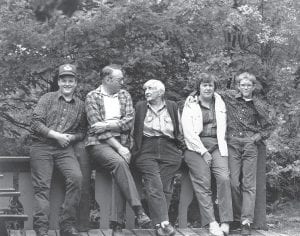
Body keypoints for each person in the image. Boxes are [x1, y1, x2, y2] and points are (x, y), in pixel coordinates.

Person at [85, 65, 151, 236]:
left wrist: (107, 124)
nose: (123, 82)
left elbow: (129, 122)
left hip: (123, 142)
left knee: (119, 172)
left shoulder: (124, 95)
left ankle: (117, 227)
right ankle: (138, 210)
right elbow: (95, 129)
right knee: (120, 163)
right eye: (119, 79)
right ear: (107, 79)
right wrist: (120, 147)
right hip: (100, 144)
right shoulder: (92, 97)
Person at [30, 64, 85, 236]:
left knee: (76, 178)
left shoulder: (81, 105)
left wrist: (70, 138)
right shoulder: (47, 98)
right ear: (59, 82)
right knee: (42, 187)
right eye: (64, 80)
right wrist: (56, 135)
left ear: (76, 83)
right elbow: (35, 123)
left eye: (71, 80)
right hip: (41, 146)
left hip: (64, 149)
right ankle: (41, 229)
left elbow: (82, 132)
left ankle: (67, 225)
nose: (67, 84)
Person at [220, 72, 273, 236]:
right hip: (233, 143)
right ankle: (236, 216)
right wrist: (194, 95)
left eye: (248, 85)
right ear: (238, 86)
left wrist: (257, 137)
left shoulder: (259, 104)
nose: (245, 88)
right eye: (242, 85)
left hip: (250, 145)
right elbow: (209, 89)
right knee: (234, 183)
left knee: (248, 185)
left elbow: (269, 126)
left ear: (253, 87)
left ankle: (246, 222)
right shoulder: (230, 98)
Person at [181, 73, 233, 236]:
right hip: (196, 147)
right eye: (204, 85)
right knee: (203, 183)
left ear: (214, 88)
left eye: (210, 85)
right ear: (199, 87)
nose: (208, 88)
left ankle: (225, 221)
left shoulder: (221, 102)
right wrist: (203, 152)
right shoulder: (190, 105)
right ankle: (212, 222)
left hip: (218, 145)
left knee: (224, 178)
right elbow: (188, 132)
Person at [131, 79, 184, 236]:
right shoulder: (140, 107)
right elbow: (133, 131)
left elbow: (179, 130)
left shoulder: (173, 106)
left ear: (161, 92)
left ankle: (159, 226)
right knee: (154, 184)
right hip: (146, 148)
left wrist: (182, 150)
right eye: (145, 88)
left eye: (151, 89)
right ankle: (166, 223)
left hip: (170, 149)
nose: (146, 91)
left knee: (165, 188)